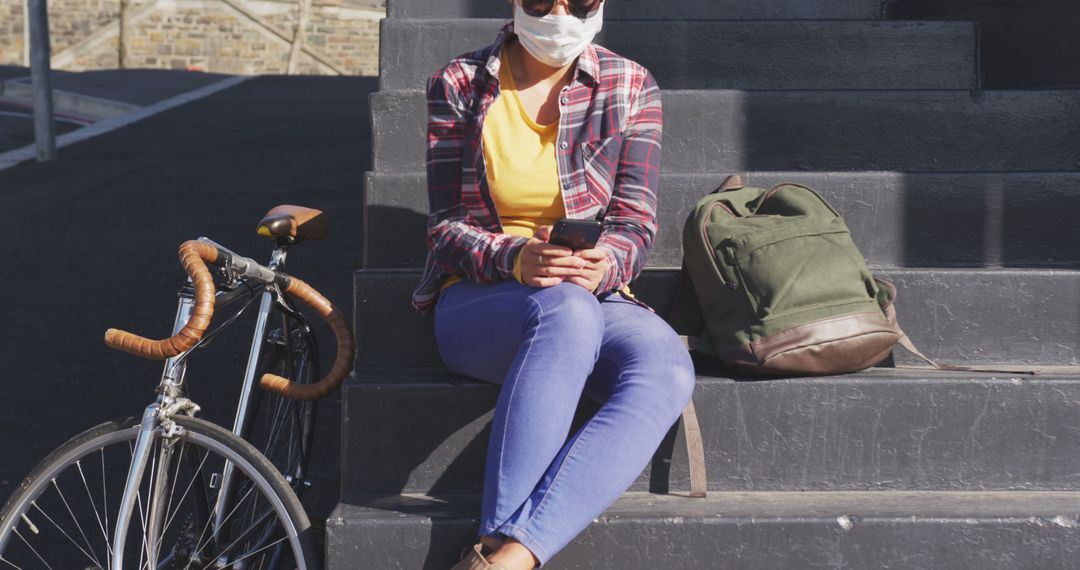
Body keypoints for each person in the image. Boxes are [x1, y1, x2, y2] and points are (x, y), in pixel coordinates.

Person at [411, 1, 696, 568]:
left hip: (592, 291)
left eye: (579, 0)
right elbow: (444, 229)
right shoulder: (460, 83)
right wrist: (515, 258)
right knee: (567, 311)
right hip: (479, 295)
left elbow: (635, 224)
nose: (560, 11)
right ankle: (494, 541)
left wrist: (605, 264)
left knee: (665, 368)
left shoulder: (630, 84)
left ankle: (509, 555)